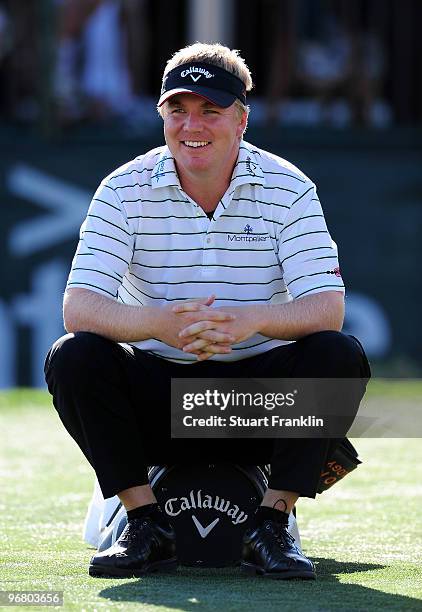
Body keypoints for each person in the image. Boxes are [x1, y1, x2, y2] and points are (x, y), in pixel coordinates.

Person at [44, 42, 370, 580]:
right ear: (162, 117)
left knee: (338, 353)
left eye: (210, 110)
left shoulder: (289, 188)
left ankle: (272, 525)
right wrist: (163, 327)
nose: (192, 125)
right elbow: (78, 307)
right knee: (75, 356)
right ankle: (142, 521)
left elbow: (327, 308)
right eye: (178, 109)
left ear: (241, 120)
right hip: (160, 402)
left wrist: (252, 321)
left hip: (251, 407)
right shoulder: (122, 189)